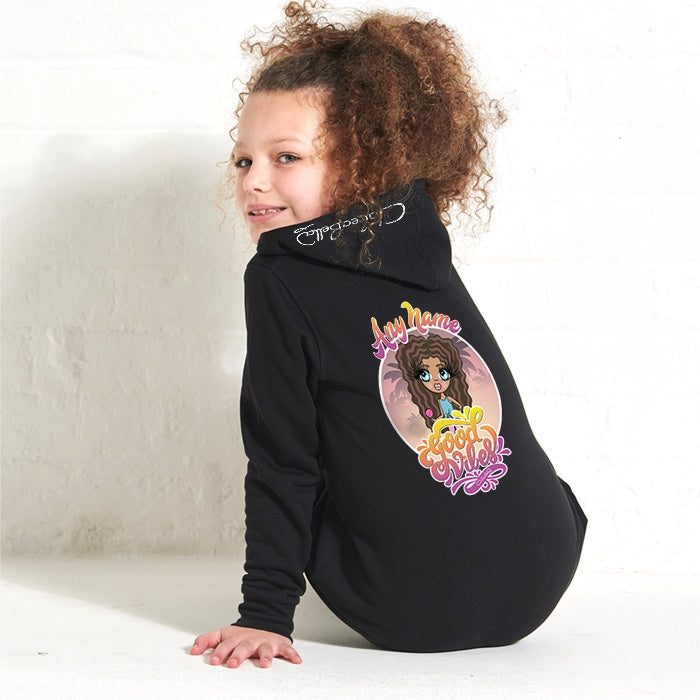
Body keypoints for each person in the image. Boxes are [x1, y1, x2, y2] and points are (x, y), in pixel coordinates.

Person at [190, 0, 587, 668]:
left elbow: (283, 460)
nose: (255, 181)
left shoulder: (279, 275)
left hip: (408, 609)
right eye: (241, 161)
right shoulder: (420, 238)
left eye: (286, 157)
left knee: (305, 443)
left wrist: (264, 613)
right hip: (544, 575)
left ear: (362, 160)